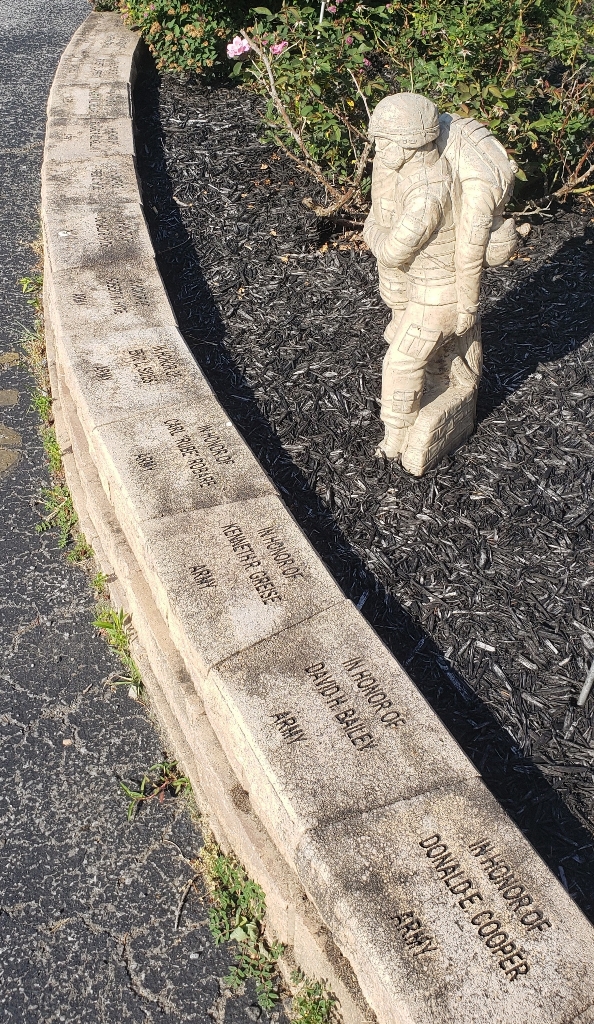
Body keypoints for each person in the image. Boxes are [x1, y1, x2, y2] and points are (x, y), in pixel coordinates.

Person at [363, 92, 459, 458]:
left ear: (410, 143)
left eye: (385, 141)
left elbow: (391, 251)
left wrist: (371, 231)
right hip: (420, 287)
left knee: (400, 362)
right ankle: (432, 385)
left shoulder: (426, 195)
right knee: (400, 343)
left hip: (439, 296)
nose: (378, 149)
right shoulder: (411, 175)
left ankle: (397, 437)